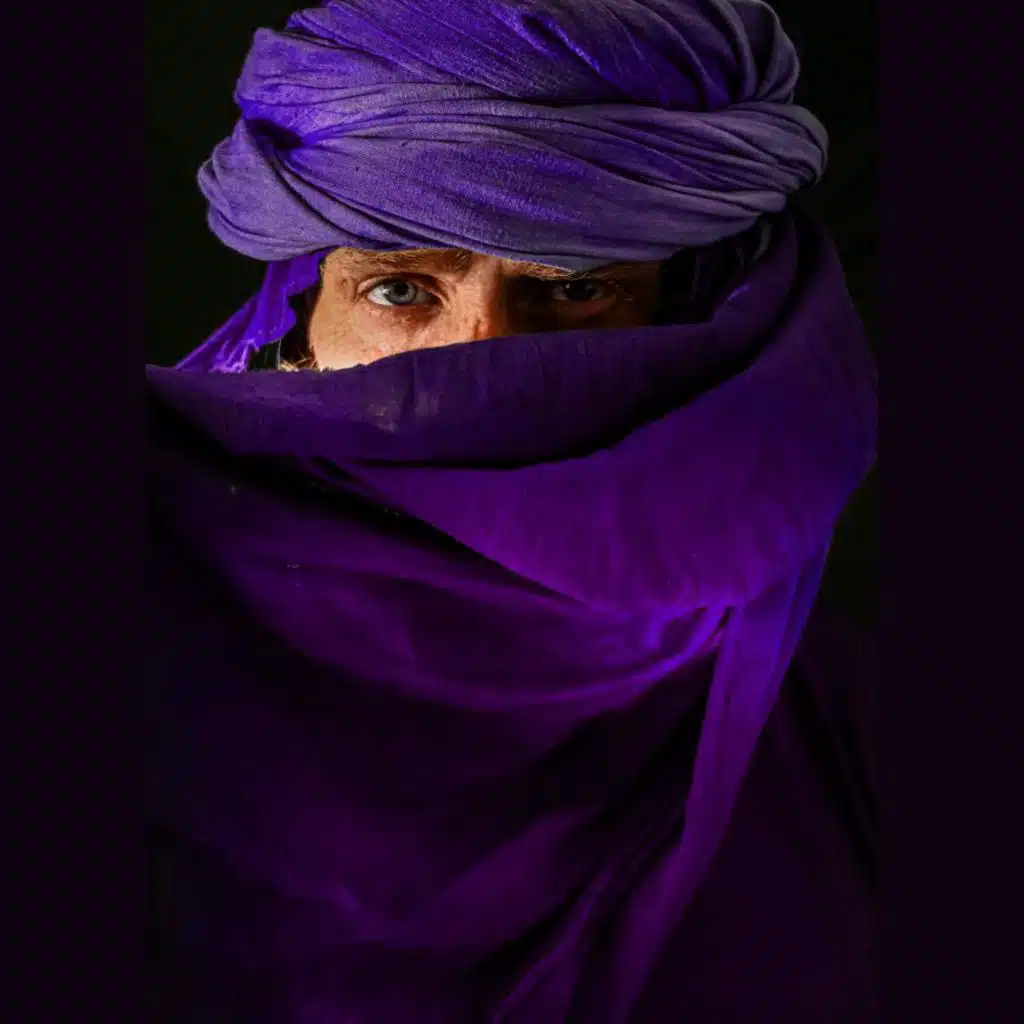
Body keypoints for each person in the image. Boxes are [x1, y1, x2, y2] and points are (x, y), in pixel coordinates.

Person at [148, 2, 877, 1021]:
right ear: (298, 317)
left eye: (574, 293)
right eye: (400, 291)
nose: (483, 359)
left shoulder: (842, 727)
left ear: (690, 320)